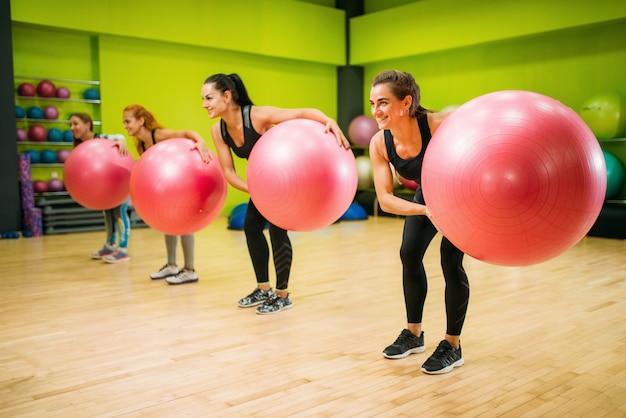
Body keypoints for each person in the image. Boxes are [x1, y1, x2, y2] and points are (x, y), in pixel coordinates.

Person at [201, 73, 349, 314]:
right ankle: (263, 288)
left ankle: (282, 294)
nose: (204, 104)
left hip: (287, 181)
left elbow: (300, 113)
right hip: (264, 185)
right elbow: (228, 171)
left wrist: (328, 120)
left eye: (209, 98)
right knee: (251, 226)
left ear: (226, 97)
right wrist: (256, 190)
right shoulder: (219, 130)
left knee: (278, 230)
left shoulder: (256, 115)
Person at [368, 70, 469, 374]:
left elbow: (479, 137)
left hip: (462, 191)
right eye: (373, 103)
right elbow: (385, 199)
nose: (375, 111)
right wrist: (427, 211)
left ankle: (452, 346)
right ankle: (414, 334)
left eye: (383, 102)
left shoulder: (438, 125)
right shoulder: (380, 143)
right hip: (431, 194)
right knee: (409, 253)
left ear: (406, 102)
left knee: (450, 260)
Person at [122, 104, 212, 285]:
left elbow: (189, 132)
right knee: (166, 222)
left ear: (141, 121)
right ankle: (171, 265)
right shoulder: (141, 145)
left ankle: (190, 270)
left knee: (184, 224)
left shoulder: (159, 135)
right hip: (166, 190)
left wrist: (201, 142)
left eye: (128, 121)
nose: (125, 126)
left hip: (184, 183)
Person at [69, 113, 131, 264]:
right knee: (108, 215)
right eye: (70, 125)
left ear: (88, 125)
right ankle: (110, 246)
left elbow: (119, 136)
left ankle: (122, 250)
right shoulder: (81, 147)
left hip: (119, 181)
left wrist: (122, 141)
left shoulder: (101, 138)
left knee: (119, 212)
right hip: (104, 187)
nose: (72, 128)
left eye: (75, 124)